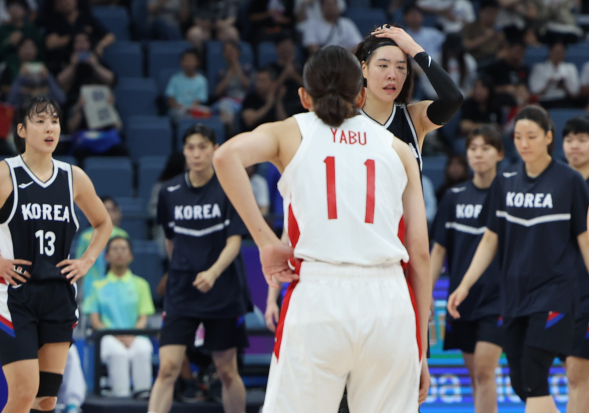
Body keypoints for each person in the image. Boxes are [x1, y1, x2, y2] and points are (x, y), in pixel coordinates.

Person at [213, 45, 431, 412]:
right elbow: (421, 255)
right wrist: (419, 348)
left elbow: (225, 156)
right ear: (362, 94)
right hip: (389, 302)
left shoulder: (291, 131)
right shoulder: (399, 148)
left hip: (319, 297)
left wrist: (265, 241)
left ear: (303, 96)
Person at [0, 96, 112, 413]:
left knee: (47, 400)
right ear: (22, 130)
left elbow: (103, 222)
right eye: (40, 121)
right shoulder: (0, 174)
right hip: (16, 296)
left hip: (58, 295)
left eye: (54, 120)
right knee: (24, 393)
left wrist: (87, 260)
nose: (50, 127)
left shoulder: (73, 177)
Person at [447, 105, 589, 413]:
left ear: (548, 137)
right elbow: (490, 239)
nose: (524, 143)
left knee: (534, 368)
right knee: (520, 379)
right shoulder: (505, 181)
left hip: (556, 294)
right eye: (519, 136)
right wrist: (465, 284)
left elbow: (585, 239)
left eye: (532, 136)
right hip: (513, 296)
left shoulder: (569, 181)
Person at [148, 124, 249, 413]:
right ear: (184, 151)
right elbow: (170, 242)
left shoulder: (229, 187)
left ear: (215, 149)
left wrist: (213, 272)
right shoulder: (169, 192)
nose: (196, 153)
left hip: (222, 289)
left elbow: (234, 242)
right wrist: (182, 269)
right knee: (167, 368)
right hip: (182, 292)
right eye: (190, 147)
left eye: (202, 146)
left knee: (227, 370)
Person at [430, 125, 504, 413]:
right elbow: (438, 251)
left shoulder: (510, 194)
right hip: (461, 300)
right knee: (477, 378)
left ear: (499, 153)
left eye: (485, 148)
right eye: (473, 148)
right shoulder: (454, 197)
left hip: (498, 297)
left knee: (485, 372)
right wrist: (426, 297)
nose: (478, 154)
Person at [355, 25, 463, 173]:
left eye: (400, 67)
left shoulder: (414, 117)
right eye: (383, 65)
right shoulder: (345, 118)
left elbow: (453, 98)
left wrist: (415, 50)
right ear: (364, 69)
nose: (392, 75)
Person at [83, 236, 155, 397]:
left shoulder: (141, 284)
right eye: (115, 249)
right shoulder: (96, 286)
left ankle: (144, 395)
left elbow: (143, 317)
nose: (119, 253)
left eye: (124, 249)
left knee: (143, 349)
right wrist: (117, 336)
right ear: (106, 256)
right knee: (118, 354)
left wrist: (131, 335)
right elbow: (95, 321)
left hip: (136, 335)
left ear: (131, 256)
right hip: (107, 337)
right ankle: (120, 398)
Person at [561, 116, 589, 413]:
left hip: (585, 292)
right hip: (556, 293)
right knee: (574, 375)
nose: (575, 146)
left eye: (582, 139)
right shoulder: (554, 185)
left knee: (578, 373)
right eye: (569, 140)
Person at [76, 196, 129, 297]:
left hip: (115, 288)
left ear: (116, 213)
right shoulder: (85, 236)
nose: (106, 213)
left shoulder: (122, 235)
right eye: (102, 209)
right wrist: (80, 290)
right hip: (90, 288)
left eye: (109, 210)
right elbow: (79, 263)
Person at [0, 0, 43, 67]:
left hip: (30, 64)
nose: (15, 9)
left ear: (25, 10)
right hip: (8, 65)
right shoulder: (4, 29)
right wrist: (8, 42)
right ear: (7, 10)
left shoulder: (31, 29)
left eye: (19, 6)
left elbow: (42, 51)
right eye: (11, 6)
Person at [528, 41, 580, 109]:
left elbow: (575, 93)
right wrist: (548, 84)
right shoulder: (539, 68)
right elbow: (534, 92)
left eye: (561, 52)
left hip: (565, 101)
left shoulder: (571, 68)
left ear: (565, 53)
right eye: (556, 51)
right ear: (550, 52)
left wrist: (564, 86)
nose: (558, 54)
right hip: (545, 101)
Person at [165, 49, 209, 120]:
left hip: (194, 109)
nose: (188, 62)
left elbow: (198, 100)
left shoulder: (202, 80)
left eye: (191, 60)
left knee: (206, 111)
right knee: (177, 113)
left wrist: (191, 109)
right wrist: (176, 106)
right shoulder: (175, 79)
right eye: (186, 60)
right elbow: (170, 99)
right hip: (178, 109)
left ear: (197, 62)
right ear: (181, 62)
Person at [241, 66, 287, 132]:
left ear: (273, 83)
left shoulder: (281, 99)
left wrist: (278, 101)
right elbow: (249, 121)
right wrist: (269, 104)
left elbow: (284, 124)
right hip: (254, 137)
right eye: (257, 80)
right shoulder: (250, 98)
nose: (258, 84)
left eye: (263, 81)